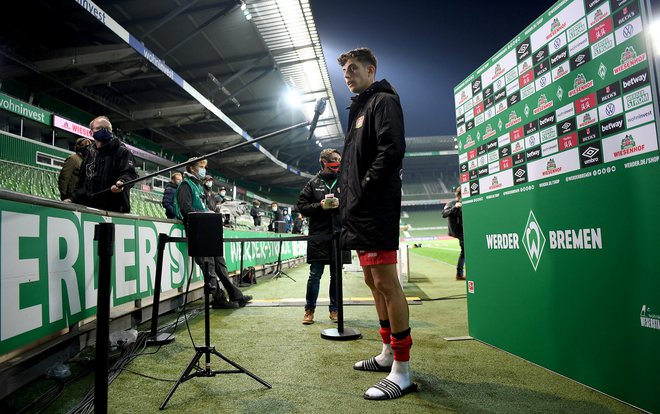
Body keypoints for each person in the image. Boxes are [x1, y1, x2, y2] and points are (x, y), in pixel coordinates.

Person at [337, 47, 416, 400]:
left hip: (376, 206)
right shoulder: (360, 107)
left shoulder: (383, 101)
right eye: (345, 71)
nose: (348, 75)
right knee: (371, 280)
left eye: (353, 68)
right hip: (359, 209)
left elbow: (392, 149)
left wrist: (364, 189)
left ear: (371, 70)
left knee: (386, 280)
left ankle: (403, 369)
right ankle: (387, 353)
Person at [173, 158, 252, 309]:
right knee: (208, 267)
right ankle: (218, 298)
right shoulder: (185, 185)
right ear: (191, 168)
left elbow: (205, 206)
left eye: (205, 167)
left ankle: (236, 295)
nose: (204, 169)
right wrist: (204, 213)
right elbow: (185, 208)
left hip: (208, 229)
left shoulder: (199, 186)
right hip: (197, 231)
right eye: (201, 166)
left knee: (220, 264)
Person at [297, 148, 348, 325]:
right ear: (324, 162)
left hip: (339, 235)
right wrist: (319, 205)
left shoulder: (345, 180)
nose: (338, 164)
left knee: (336, 276)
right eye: (334, 160)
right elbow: (301, 207)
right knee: (315, 275)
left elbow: (353, 203)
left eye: (339, 160)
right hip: (319, 236)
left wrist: (342, 204)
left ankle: (335, 310)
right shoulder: (312, 183)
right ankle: (309, 310)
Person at [65, 116, 138, 213]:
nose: (104, 131)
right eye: (99, 128)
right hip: (88, 208)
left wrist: (122, 181)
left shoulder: (122, 151)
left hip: (113, 210)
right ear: (91, 132)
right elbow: (83, 181)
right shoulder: (89, 153)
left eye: (107, 129)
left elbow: (130, 173)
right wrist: (73, 198)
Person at [442, 187, 465, 280]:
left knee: (465, 252)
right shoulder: (451, 203)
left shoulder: (465, 203)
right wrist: (455, 207)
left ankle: (459, 274)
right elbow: (444, 213)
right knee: (465, 252)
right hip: (459, 232)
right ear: (458, 195)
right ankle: (459, 274)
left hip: (464, 231)